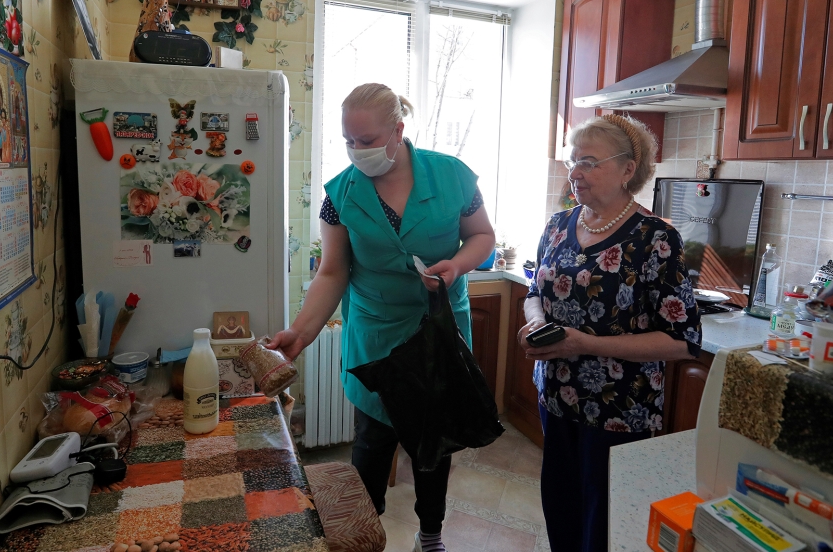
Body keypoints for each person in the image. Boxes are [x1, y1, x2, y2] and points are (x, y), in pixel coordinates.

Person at [268, 83, 495, 552]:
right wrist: (302, 331)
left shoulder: (453, 176)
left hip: (437, 332)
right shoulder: (340, 195)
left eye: (366, 140)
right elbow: (332, 271)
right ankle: (362, 538)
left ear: (398, 130)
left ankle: (430, 535)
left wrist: (458, 266)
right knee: (371, 444)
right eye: (348, 140)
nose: (356, 151)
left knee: (434, 446)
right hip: (375, 335)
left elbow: (482, 236)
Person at [519, 114, 702, 552]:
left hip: (620, 408)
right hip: (557, 394)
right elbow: (533, 291)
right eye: (571, 161)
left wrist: (586, 344)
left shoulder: (656, 238)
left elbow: (681, 340)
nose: (575, 172)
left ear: (627, 170)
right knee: (560, 504)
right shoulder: (557, 225)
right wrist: (534, 321)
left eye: (588, 162)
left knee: (604, 520)